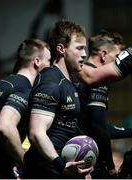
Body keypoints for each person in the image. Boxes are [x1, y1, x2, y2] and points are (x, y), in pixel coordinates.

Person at [24, 19, 93, 179]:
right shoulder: (51, 82)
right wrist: (61, 166)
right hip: (46, 171)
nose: (84, 54)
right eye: (79, 48)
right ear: (61, 49)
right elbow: (36, 132)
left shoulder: (70, 82)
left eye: (85, 49)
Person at [0, 38, 51, 178]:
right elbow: (5, 126)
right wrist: (23, 160)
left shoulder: (2, 83)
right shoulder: (23, 87)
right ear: (37, 62)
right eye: (49, 60)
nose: (50, 66)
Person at [73, 31, 125, 179]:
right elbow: (99, 126)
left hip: (72, 152)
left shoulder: (76, 74)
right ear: (103, 55)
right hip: (88, 158)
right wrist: (110, 166)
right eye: (116, 58)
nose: (116, 64)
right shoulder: (97, 80)